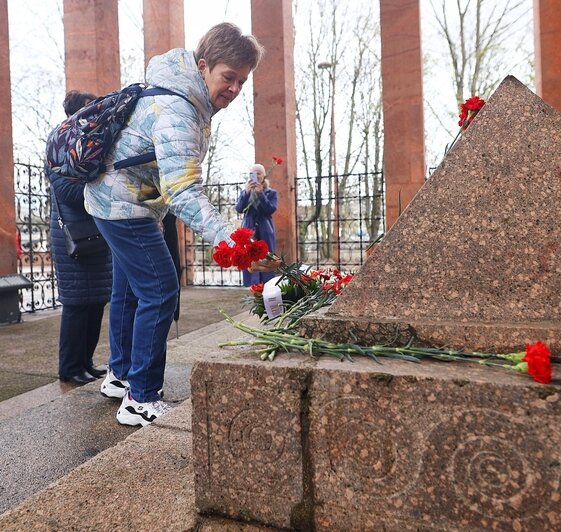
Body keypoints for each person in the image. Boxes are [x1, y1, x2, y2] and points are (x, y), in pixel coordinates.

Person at [85, 23, 279, 427]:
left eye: (243, 81)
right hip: (125, 206)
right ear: (204, 66)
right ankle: (141, 398)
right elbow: (183, 191)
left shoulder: (177, 93)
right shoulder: (179, 109)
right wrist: (234, 239)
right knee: (160, 289)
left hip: (112, 200)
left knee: (129, 289)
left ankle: (119, 376)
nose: (236, 89)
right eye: (229, 77)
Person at [47, 90, 112, 385]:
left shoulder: (89, 147)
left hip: (94, 236)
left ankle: (85, 361)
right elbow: (68, 193)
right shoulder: (61, 147)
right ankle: (70, 366)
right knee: (76, 304)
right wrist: (102, 187)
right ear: (75, 115)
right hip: (72, 237)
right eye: (89, 110)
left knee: (96, 301)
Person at [235, 163, 278, 286]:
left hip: (265, 229)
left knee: (267, 257)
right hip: (248, 229)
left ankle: (268, 284)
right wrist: (246, 193)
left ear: (264, 175)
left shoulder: (271, 193)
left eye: (258, 173)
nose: (256, 176)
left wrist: (261, 194)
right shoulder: (245, 192)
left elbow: (270, 210)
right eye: (253, 173)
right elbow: (239, 208)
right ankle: (252, 286)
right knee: (248, 257)